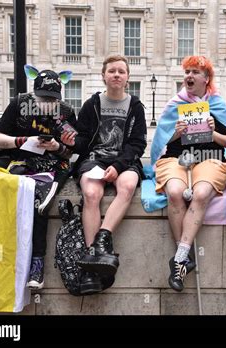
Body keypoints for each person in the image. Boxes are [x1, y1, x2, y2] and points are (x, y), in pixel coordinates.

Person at [0, 65, 78, 290]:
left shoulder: (66, 112)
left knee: (38, 201)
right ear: (34, 94)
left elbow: (71, 152)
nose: (48, 104)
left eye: (53, 100)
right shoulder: (19, 104)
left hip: (52, 162)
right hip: (18, 156)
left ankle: (37, 262)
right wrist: (21, 141)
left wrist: (57, 146)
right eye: (43, 99)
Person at [151, 55, 226, 292]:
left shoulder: (218, 105)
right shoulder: (174, 105)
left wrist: (212, 132)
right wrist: (176, 133)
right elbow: (159, 144)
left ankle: (178, 259)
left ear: (206, 78)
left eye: (195, 72)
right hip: (176, 159)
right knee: (176, 191)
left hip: (210, 158)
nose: (189, 76)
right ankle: (183, 258)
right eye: (187, 72)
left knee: (201, 193)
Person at [71, 55, 147, 295]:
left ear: (127, 78)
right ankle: (95, 262)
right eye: (111, 71)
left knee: (127, 186)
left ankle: (100, 241)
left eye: (121, 71)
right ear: (103, 76)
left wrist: (119, 165)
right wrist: (71, 142)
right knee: (92, 193)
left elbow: (137, 144)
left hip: (124, 160)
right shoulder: (91, 104)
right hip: (94, 159)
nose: (116, 74)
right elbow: (83, 141)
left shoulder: (135, 106)